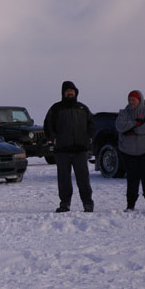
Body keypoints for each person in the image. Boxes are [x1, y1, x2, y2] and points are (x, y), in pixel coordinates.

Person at [44, 80, 95, 213]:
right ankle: (65, 204)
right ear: (63, 93)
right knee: (64, 180)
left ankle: (88, 203)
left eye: (72, 90)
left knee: (83, 179)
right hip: (62, 151)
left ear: (75, 92)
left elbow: (92, 125)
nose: (70, 92)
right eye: (67, 91)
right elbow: (48, 125)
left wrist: (88, 138)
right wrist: (53, 138)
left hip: (80, 150)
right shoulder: (56, 108)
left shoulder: (83, 108)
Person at [115, 90, 145, 211]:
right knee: (132, 179)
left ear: (139, 99)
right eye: (129, 100)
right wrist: (136, 123)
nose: (131, 102)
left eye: (133, 99)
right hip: (128, 152)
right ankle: (130, 204)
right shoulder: (125, 112)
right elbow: (119, 125)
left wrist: (134, 131)